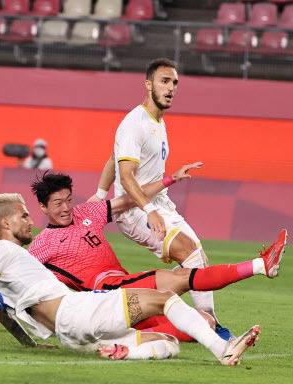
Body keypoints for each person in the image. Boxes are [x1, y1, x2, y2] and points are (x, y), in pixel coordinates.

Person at [0, 193, 262, 365]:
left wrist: (30, 345)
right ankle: (223, 350)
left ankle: (119, 352)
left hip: (72, 335)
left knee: (168, 344)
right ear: (5, 222)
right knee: (165, 298)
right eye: (23, 216)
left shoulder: (15, 263)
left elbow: (3, 311)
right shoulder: (1, 249)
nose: (31, 221)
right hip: (77, 311)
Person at [0, 168, 287, 343]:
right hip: (104, 291)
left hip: (123, 289)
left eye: (68, 200)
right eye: (58, 203)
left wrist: (169, 180)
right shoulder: (44, 242)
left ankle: (119, 341)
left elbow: (129, 199)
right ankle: (261, 264)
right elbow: (16, 277)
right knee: (180, 278)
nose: (65, 208)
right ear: (44, 208)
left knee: (205, 321)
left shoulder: (88, 212)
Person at [94, 58, 226, 337]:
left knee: (199, 257)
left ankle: (191, 318)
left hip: (159, 203)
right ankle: (212, 329)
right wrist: (143, 208)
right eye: (164, 81)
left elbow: (113, 155)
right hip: (135, 210)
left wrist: (100, 192)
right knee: (189, 254)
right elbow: (126, 175)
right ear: (148, 84)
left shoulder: (158, 121)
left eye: (175, 83)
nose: (171, 88)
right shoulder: (135, 122)